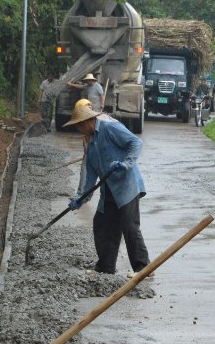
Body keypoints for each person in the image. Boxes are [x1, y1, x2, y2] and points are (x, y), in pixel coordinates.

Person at [63, 102, 151, 278]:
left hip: (127, 186)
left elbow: (136, 142)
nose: (79, 130)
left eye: (79, 126)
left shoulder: (111, 128)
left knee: (129, 225)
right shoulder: (90, 143)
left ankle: (144, 269)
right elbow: (90, 176)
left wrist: (126, 163)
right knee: (103, 224)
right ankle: (106, 266)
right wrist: (80, 198)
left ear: (87, 122)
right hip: (109, 189)